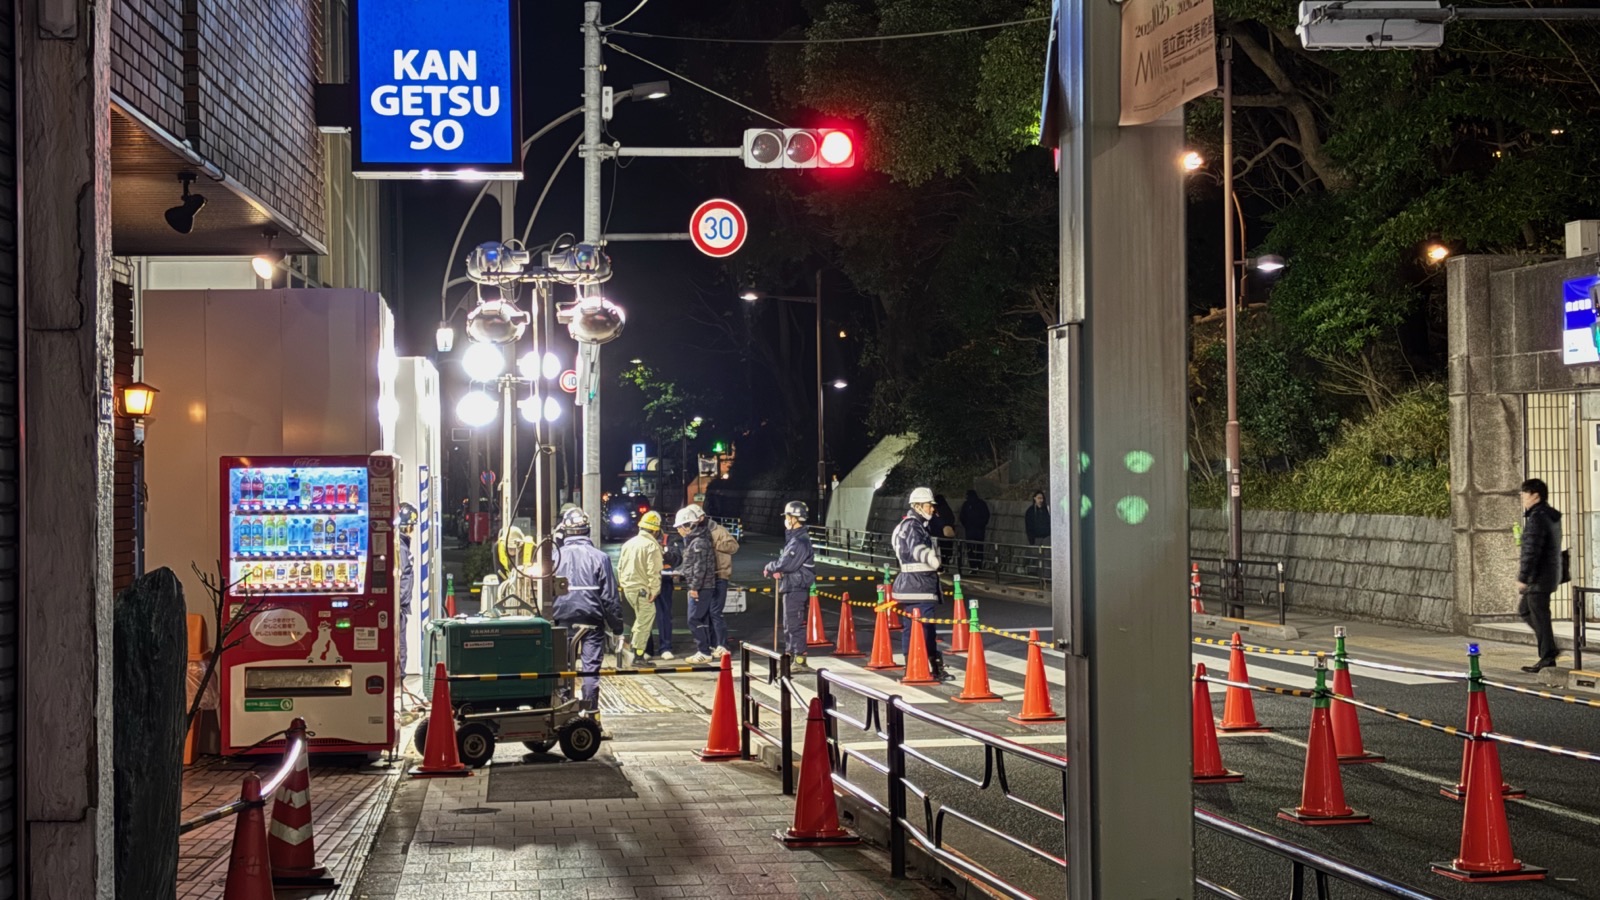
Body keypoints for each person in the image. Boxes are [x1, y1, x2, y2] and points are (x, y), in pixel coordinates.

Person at [550, 508, 626, 712]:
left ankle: (565, 714)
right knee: (590, 671)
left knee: (564, 670)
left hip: (562, 619)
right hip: (592, 621)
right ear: (588, 530)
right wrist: (618, 629)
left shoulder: (553, 557)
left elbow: (544, 594)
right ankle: (592, 716)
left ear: (564, 531)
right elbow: (610, 598)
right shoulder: (600, 558)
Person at [894, 487, 950, 681]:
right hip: (919, 586)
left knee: (916, 628)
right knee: (924, 629)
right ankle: (925, 667)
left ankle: (918, 666)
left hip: (913, 585)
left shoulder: (912, 525)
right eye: (929, 505)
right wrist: (935, 562)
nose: (932, 509)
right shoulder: (913, 526)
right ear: (917, 506)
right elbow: (917, 548)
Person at [1516, 478, 1564, 673]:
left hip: (1539, 576)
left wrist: (1523, 577)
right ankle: (1549, 649)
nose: (1522, 498)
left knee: (1537, 614)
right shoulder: (1550, 516)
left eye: (1524, 494)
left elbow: (1532, 550)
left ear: (1535, 495)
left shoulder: (1537, 518)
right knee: (1527, 610)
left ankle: (1547, 655)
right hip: (1549, 574)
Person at [764, 501, 816, 663]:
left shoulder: (799, 541)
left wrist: (771, 567)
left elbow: (786, 563)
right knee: (789, 623)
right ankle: (790, 654)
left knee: (794, 624)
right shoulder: (795, 539)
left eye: (787, 516)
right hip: (792, 584)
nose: (785, 519)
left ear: (794, 518)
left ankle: (799, 658)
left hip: (797, 586)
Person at [689, 503, 740, 658]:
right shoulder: (696, 532)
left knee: (715, 612)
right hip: (705, 578)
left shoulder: (719, 530)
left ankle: (722, 644)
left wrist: (715, 543)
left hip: (719, 575)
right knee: (705, 613)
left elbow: (734, 546)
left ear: (702, 517)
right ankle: (711, 643)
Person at [617, 510, 664, 667]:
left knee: (640, 619)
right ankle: (637, 655)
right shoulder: (651, 545)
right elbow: (654, 571)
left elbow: (620, 567)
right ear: (655, 530)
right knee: (645, 620)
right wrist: (654, 590)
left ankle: (633, 651)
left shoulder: (629, 543)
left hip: (629, 588)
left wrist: (624, 584)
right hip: (643, 590)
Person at [674, 507, 719, 664]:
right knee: (701, 619)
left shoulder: (698, 542)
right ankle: (706, 649)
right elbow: (692, 565)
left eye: (679, 527)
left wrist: (694, 588)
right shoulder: (696, 540)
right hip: (703, 586)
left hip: (702, 587)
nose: (679, 530)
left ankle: (703, 651)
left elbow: (700, 567)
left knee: (694, 619)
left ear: (688, 525)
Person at [395, 502, 418, 685]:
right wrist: (401, 603)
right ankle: (400, 676)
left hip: (399, 605)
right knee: (400, 645)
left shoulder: (401, 545)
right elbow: (403, 576)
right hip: (398, 608)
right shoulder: (401, 548)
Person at [959, 489, 991, 572]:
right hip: (979, 530)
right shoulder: (981, 504)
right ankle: (979, 566)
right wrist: (981, 524)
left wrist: (967, 525)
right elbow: (986, 516)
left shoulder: (967, 504)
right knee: (979, 548)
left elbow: (962, 517)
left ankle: (973, 566)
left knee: (971, 549)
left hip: (970, 531)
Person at [931, 494, 957, 565]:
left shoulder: (936, 510)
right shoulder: (947, 508)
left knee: (939, 553)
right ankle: (947, 565)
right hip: (947, 536)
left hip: (938, 535)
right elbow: (952, 519)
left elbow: (934, 522)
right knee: (947, 551)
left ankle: (942, 566)